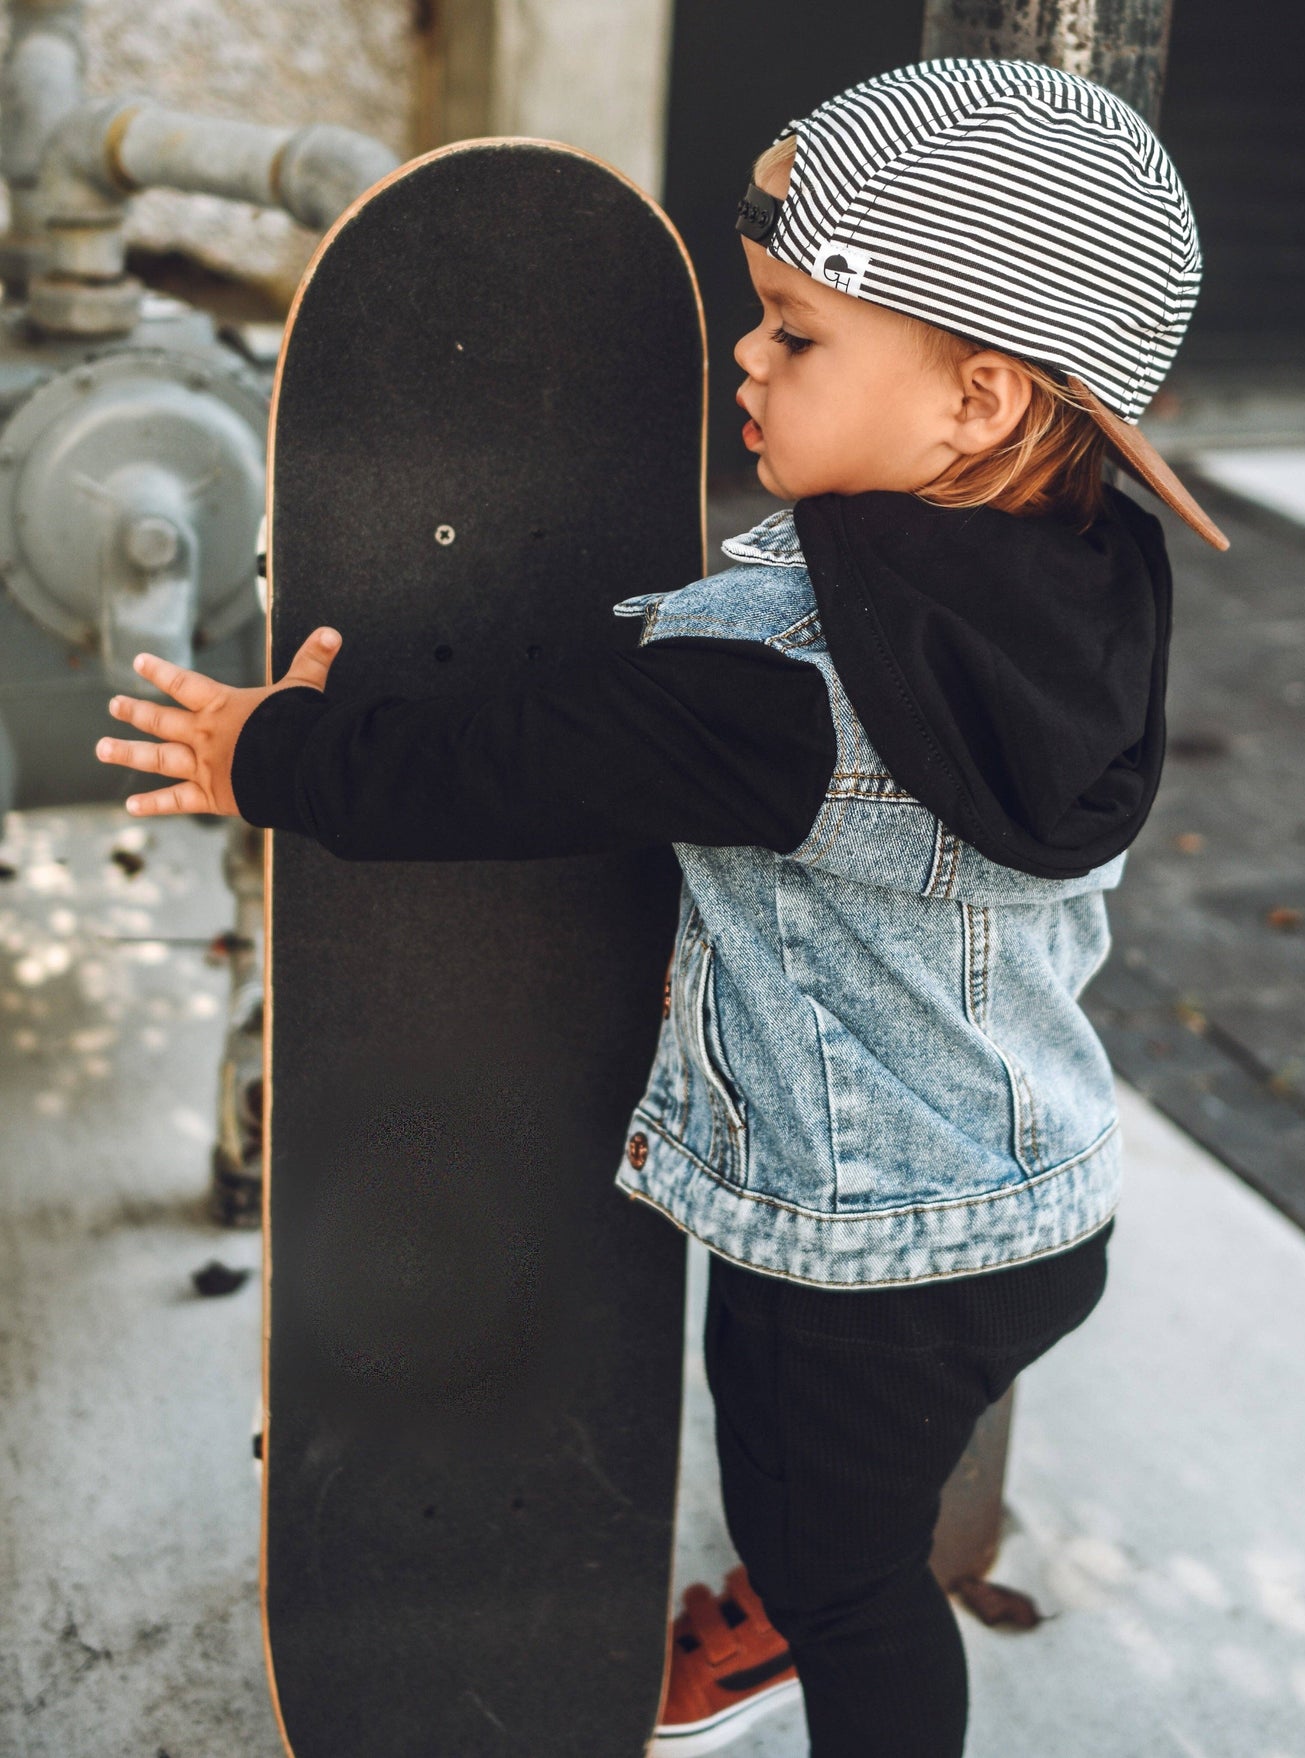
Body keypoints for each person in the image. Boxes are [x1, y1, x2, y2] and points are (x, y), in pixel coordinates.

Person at [97, 60, 1226, 1758]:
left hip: (859, 1255)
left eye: (796, 329)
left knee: (851, 1573)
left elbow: (515, 767)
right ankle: (808, 1559)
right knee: (859, 1489)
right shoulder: (1087, 567)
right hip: (1031, 1195)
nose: (744, 357)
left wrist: (280, 755)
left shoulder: (779, 692)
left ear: (980, 399)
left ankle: (804, 1597)